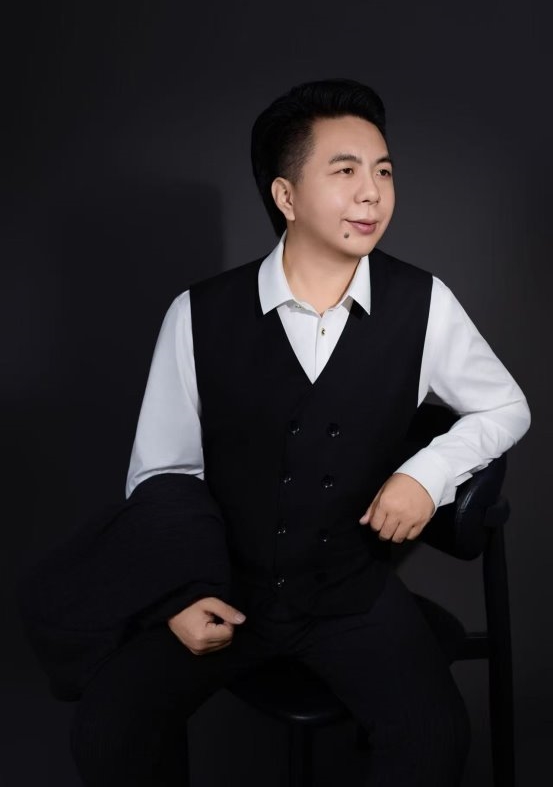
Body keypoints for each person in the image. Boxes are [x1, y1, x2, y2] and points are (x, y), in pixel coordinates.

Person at [67, 78, 530, 786]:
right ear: (286, 196)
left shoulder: (424, 302)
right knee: (110, 726)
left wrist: (427, 474)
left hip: (352, 591)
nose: (372, 193)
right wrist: (178, 594)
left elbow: (505, 406)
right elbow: (162, 472)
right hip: (226, 587)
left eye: (383, 172)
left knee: (434, 741)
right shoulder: (196, 314)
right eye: (345, 171)